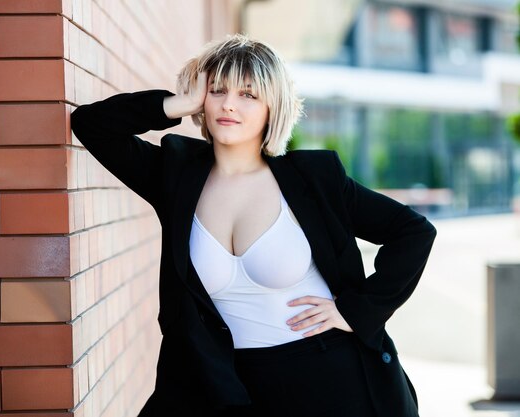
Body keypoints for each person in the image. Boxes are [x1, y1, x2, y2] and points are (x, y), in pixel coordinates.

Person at [70, 33, 436, 417]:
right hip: (227, 386)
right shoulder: (175, 176)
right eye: (217, 90)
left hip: (330, 379)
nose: (229, 104)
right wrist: (179, 104)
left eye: (248, 94)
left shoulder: (312, 180)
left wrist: (357, 311)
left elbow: (413, 232)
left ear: (271, 108)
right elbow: (91, 125)